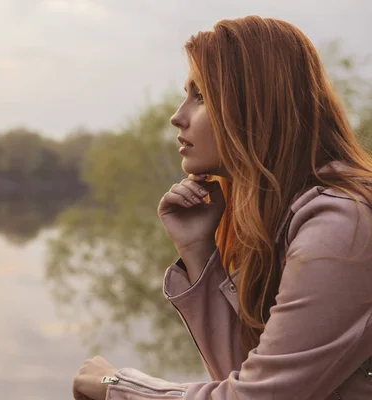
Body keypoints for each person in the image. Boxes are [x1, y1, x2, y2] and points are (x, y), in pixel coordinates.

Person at [72, 15, 372, 400]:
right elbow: (247, 374)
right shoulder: (286, 218)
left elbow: (255, 396)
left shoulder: (343, 225)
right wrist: (199, 252)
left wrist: (117, 386)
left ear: (256, 106)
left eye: (201, 97)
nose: (177, 116)